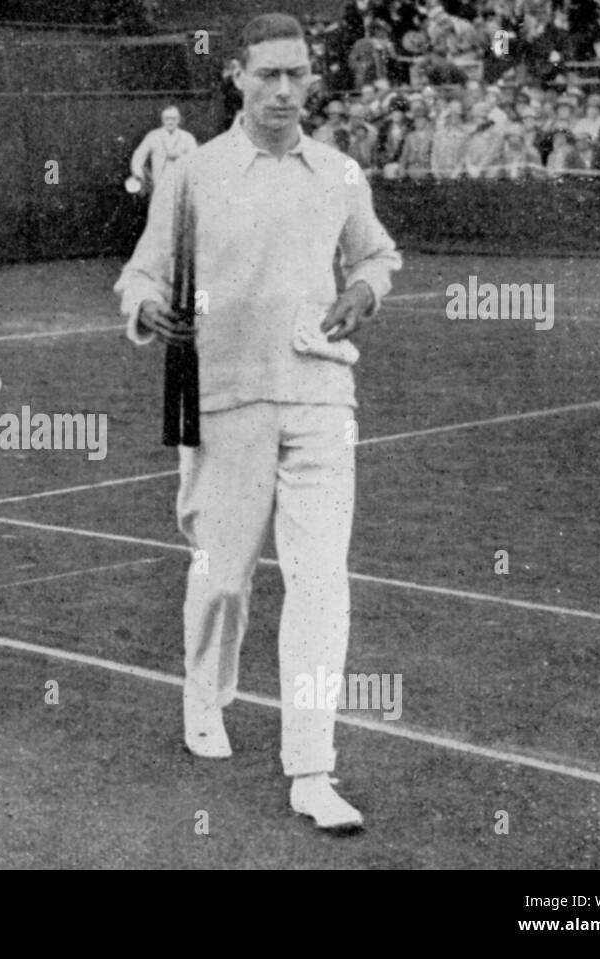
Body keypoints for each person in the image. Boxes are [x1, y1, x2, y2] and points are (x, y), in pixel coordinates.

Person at [113, 12, 401, 833]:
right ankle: (206, 691)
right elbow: (140, 273)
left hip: (320, 395)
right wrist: (146, 309)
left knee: (320, 581)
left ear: (312, 80)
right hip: (225, 397)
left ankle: (312, 767)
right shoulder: (196, 173)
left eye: (297, 76)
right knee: (225, 574)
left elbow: (378, 254)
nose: (283, 91)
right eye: (268, 75)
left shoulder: (339, 172)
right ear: (237, 75)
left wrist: (364, 290)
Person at [129, 105, 199, 197]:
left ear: (178, 120)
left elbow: (197, 159)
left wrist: (180, 156)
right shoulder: (153, 136)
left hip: (181, 187)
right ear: (162, 120)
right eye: (167, 119)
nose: (170, 122)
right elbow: (139, 155)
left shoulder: (187, 138)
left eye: (173, 119)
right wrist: (139, 175)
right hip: (158, 185)